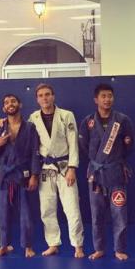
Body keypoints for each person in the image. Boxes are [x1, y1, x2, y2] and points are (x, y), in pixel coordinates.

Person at [78, 83, 134, 261]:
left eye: (110, 96)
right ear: (96, 99)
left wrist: (115, 159)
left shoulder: (122, 120)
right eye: (103, 96)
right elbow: (83, 146)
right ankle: (99, 248)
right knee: (96, 215)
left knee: (119, 214)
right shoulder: (88, 122)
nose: (107, 99)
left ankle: (119, 249)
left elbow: (129, 146)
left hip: (116, 173)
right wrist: (98, 161)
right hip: (96, 174)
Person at [29, 83, 85, 258]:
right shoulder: (33, 118)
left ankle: (78, 245)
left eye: (47, 94)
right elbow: (31, 145)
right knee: (47, 210)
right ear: (37, 99)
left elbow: (73, 143)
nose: (44, 98)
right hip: (45, 169)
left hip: (64, 167)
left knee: (72, 208)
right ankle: (53, 243)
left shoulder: (66, 115)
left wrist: (72, 168)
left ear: (53, 96)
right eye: (41, 95)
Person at [0, 94, 41, 258]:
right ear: (3, 108)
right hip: (5, 175)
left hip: (23, 174)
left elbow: (35, 152)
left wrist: (34, 175)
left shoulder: (30, 127)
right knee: (3, 213)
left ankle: (28, 246)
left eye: (13, 101)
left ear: (20, 104)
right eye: (6, 102)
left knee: (26, 213)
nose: (10, 104)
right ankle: (4, 245)